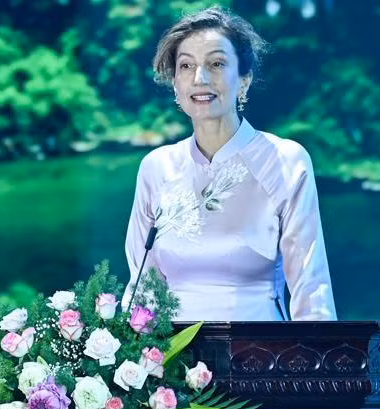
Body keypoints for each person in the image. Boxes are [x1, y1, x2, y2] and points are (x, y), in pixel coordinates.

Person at [123, 6, 336, 322]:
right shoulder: (157, 167)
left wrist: (318, 365)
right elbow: (142, 292)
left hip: (263, 359)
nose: (200, 78)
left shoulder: (286, 160)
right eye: (186, 66)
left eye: (217, 63)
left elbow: (311, 289)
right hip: (169, 362)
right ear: (175, 86)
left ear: (244, 80)